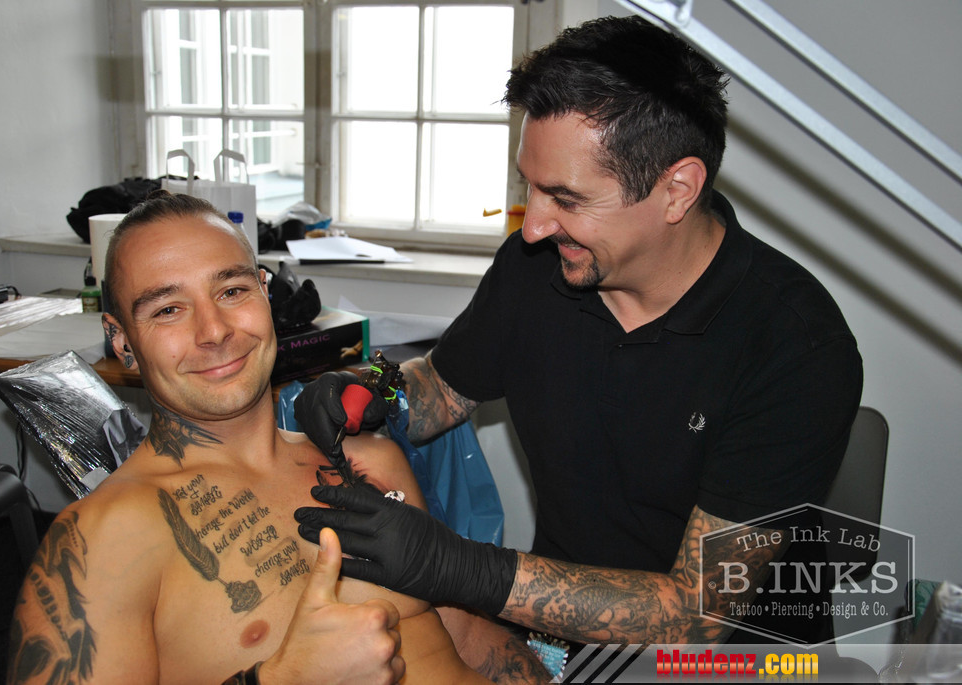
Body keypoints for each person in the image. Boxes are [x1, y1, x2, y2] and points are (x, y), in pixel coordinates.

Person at [292, 14, 864, 651]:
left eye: (565, 198)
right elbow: (443, 388)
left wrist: (454, 566)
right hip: (561, 637)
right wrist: (373, 387)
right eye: (530, 188)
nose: (534, 225)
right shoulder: (538, 267)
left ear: (677, 190)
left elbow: (695, 614)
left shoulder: (796, 346)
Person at [6, 192, 549, 684]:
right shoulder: (99, 543)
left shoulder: (369, 461)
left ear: (266, 295)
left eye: (232, 290)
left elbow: (463, 634)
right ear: (121, 339)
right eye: (168, 309)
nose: (214, 331)